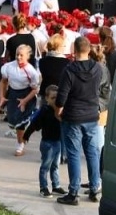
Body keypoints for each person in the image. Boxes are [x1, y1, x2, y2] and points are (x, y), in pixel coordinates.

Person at [55, 35, 109, 205]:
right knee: (92, 152)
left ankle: (73, 192)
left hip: (73, 117)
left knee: (73, 154)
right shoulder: (98, 68)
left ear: (74, 50)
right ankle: (95, 188)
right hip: (92, 116)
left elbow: (61, 96)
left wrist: (58, 111)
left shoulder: (69, 70)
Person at [0, 43, 41, 157]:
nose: (18, 57)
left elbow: (35, 90)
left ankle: (20, 144)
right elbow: (3, 81)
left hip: (26, 94)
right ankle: (22, 137)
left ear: (28, 56)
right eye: (17, 55)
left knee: (20, 122)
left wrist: (25, 100)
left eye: (21, 55)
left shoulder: (31, 72)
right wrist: (2, 96)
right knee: (13, 119)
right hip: (13, 94)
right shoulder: (8, 66)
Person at [33, 84, 63, 196]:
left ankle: (56, 185)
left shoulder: (60, 111)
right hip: (47, 143)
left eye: (57, 98)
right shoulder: (44, 110)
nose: (55, 100)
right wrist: (26, 135)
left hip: (58, 142)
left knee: (55, 165)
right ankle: (43, 187)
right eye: (53, 98)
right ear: (46, 98)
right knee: (45, 166)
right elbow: (34, 124)